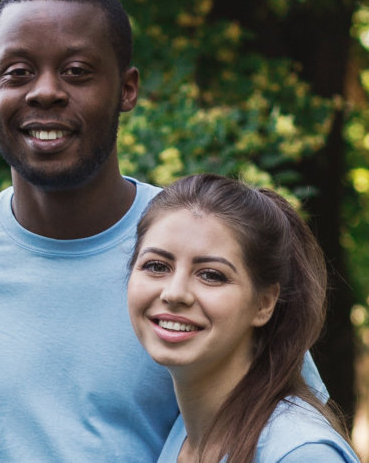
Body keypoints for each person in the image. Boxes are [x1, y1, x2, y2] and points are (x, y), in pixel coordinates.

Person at [0, 0, 325, 461]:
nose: (45, 92)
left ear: (127, 89)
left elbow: (287, 420)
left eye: (78, 71)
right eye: (17, 72)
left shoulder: (203, 248)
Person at [129, 174, 358, 463]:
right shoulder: (186, 434)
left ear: (264, 303)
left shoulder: (300, 453)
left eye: (211, 275)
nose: (174, 294)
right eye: (157, 266)